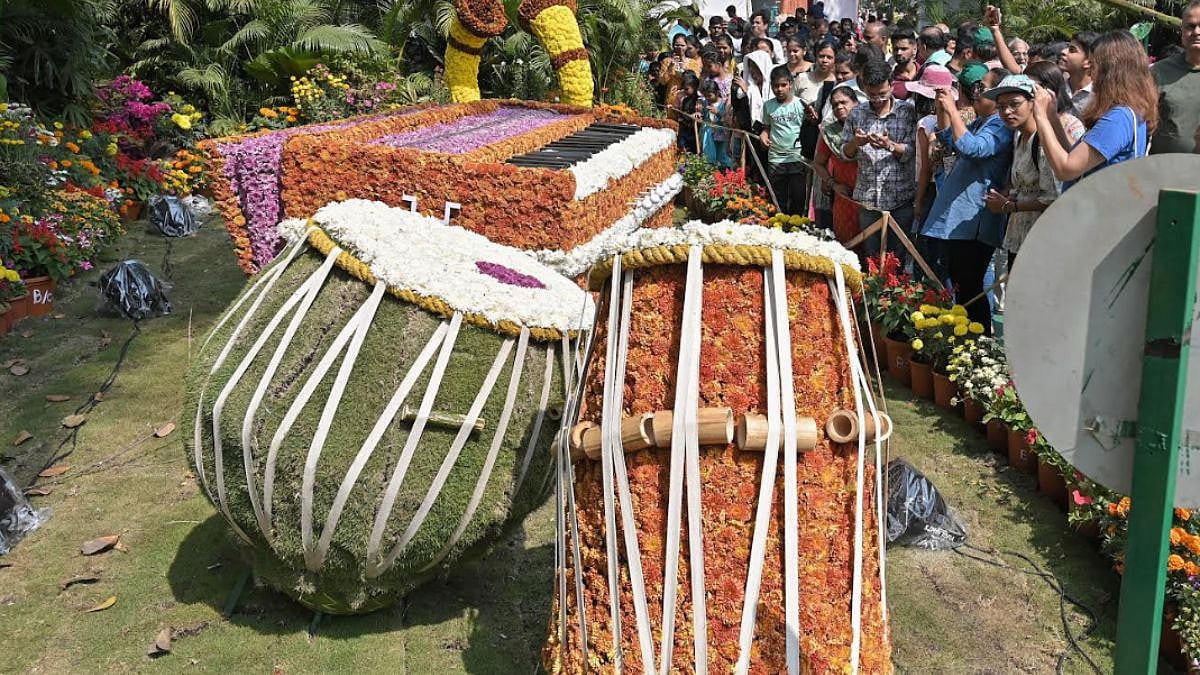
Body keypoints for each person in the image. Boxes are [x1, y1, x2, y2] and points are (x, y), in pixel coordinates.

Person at [920, 65, 1013, 333]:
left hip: (975, 220)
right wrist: (942, 109)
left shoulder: (1000, 124)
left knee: (971, 288)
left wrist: (951, 109)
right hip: (961, 217)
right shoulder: (983, 121)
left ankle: (978, 344)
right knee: (962, 286)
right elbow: (951, 139)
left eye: (982, 88)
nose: (976, 92)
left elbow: (972, 148)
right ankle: (968, 344)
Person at [1034, 30, 1157, 186]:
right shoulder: (1127, 112)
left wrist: (1041, 117)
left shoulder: (1118, 118)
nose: (1091, 73)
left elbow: (1065, 168)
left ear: (1111, 70)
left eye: (1093, 65)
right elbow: (1079, 156)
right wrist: (1052, 118)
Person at [842, 57, 918, 262]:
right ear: (864, 88)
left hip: (900, 199)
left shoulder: (907, 112)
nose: (877, 99)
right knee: (872, 259)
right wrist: (856, 143)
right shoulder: (856, 113)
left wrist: (890, 146)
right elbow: (845, 152)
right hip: (868, 200)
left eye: (882, 94)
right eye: (872, 94)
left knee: (897, 260)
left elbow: (913, 152)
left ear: (892, 86)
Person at [981, 74, 1062, 268]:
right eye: (1001, 107)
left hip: (1042, 243)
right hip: (1018, 239)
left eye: (1014, 104)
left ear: (1033, 103)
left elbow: (1053, 197)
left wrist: (1009, 206)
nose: (1007, 112)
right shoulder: (1018, 136)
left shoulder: (1044, 141)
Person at [813, 85, 862, 243]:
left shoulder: (868, 127)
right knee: (846, 245)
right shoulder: (830, 132)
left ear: (856, 103)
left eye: (843, 102)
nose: (839, 107)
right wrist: (833, 185)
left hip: (870, 198)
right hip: (844, 199)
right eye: (835, 104)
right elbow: (819, 164)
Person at [1151, 0, 1200, 154]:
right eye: (1191, 26)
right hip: (1165, 170)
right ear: (1182, 31)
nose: (1197, 31)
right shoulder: (1159, 72)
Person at [761, 65, 811, 215]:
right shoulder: (768, 106)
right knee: (777, 196)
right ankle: (779, 225)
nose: (780, 89)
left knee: (798, 196)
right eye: (776, 86)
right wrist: (764, 135)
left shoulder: (801, 104)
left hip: (797, 157)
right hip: (776, 158)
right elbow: (766, 127)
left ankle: (797, 225)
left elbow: (810, 127)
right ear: (771, 86)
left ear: (790, 84)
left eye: (783, 85)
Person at [796, 39, 837, 161]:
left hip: (828, 139)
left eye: (829, 57)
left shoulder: (837, 82)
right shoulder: (802, 78)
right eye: (821, 56)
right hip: (803, 136)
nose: (824, 60)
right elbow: (791, 105)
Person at [1061, 31, 1099, 115]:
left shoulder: (1098, 96)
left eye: (1072, 50)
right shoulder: (1056, 88)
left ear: (1088, 62)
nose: (1063, 52)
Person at [700, 79, 732, 167]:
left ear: (717, 93)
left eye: (709, 95)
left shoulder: (724, 104)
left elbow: (726, 119)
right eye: (706, 96)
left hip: (721, 134)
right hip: (709, 135)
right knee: (709, 154)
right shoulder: (706, 103)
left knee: (722, 154)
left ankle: (725, 172)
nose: (707, 98)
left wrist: (717, 113)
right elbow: (704, 115)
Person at [676, 71, 703, 152]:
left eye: (687, 89)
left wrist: (697, 115)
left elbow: (701, 116)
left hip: (694, 132)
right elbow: (682, 112)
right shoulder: (685, 100)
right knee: (683, 149)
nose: (684, 91)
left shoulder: (699, 100)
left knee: (694, 150)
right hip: (684, 130)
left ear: (694, 87)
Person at [890, 28, 919, 98]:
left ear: (914, 49)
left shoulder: (924, 74)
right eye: (896, 49)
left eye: (904, 49)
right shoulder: (889, 80)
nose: (899, 53)